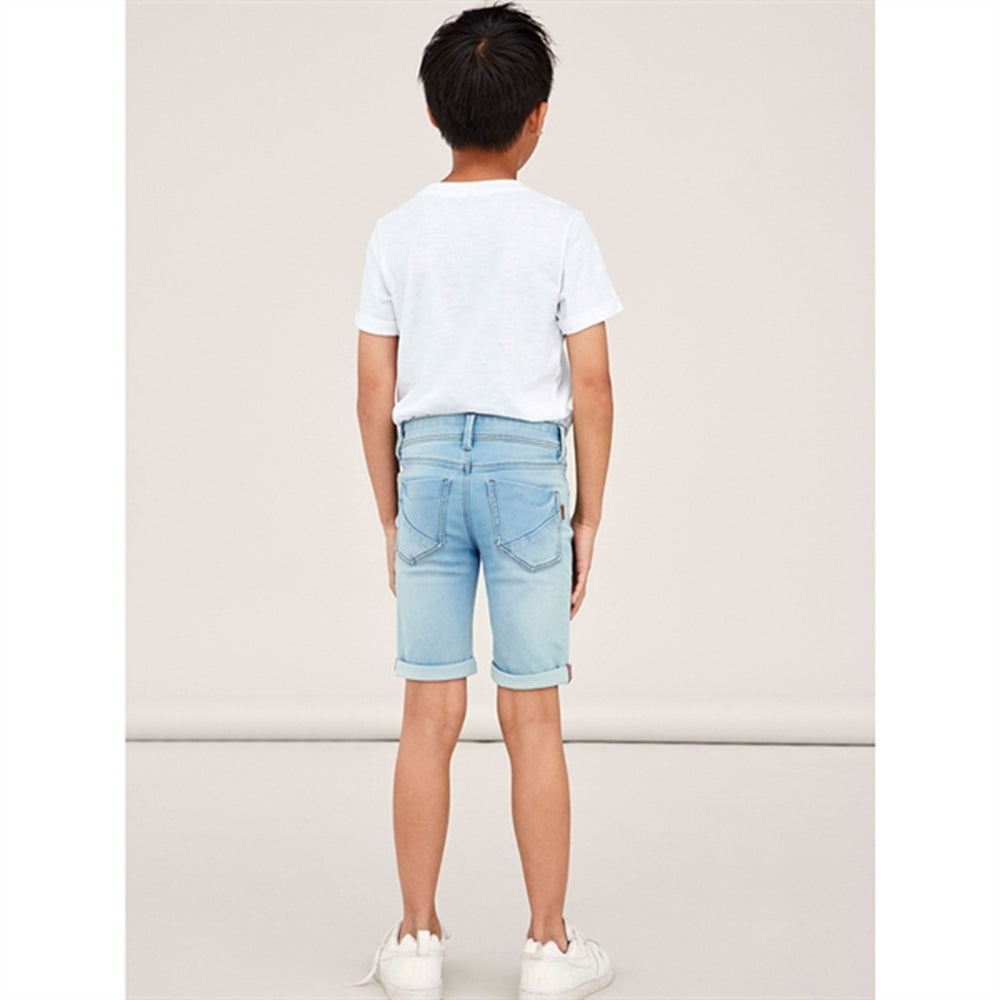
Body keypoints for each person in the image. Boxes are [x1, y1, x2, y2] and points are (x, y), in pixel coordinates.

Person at [350, 4, 622, 998]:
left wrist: (391, 512)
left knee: (427, 711)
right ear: (536, 117)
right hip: (525, 475)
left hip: (424, 469)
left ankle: (416, 940)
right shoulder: (560, 230)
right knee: (533, 715)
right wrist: (588, 514)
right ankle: (548, 947)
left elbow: (372, 389)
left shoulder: (396, 233)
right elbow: (592, 384)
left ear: (433, 114)